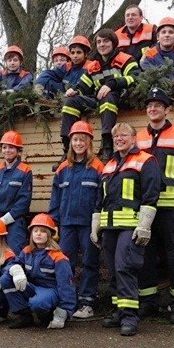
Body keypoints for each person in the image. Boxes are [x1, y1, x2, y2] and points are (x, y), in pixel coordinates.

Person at [135, 88, 174, 324]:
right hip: (146, 208)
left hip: (173, 207)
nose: (153, 109)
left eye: (158, 105)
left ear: (167, 110)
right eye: (150, 105)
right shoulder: (138, 138)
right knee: (145, 256)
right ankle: (148, 302)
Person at [91, 123, 160, 336]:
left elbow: (151, 195)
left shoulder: (145, 160)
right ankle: (119, 310)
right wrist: (96, 225)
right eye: (116, 136)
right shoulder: (110, 164)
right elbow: (100, 199)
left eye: (124, 135)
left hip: (131, 225)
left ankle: (130, 316)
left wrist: (144, 225)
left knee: (125, 267)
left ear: (133, 138)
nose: (119, 139)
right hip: (110, 226)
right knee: (113, 269)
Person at [48, 121, 104, 319]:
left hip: (88, 224)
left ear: (89, 142)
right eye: (75, 140)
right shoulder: (63, 168)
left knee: (90, 262)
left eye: (82, 140)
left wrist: (98, 224)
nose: (79, 144)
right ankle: (67, 302)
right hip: (67, 224)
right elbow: (55, 199)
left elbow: (102, 198)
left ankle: (87, 303)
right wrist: (52, 223)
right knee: (66, 263)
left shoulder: (98, 168)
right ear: (70, 142)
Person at [61, 28, 140, 161]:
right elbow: (83, 87)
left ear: (114, 43)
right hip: (99, 100)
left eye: (106, 41)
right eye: (99, 42)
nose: (102, 45)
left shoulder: (126, 59)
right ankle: (67, 149)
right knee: (70, 102)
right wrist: (74, 91)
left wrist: (112, 84)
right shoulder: (93, 66)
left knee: (107, 98)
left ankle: (107, 147)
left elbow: (136, 77)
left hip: (121, 98)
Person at [1, 213, 77, 329]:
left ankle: (48, 315)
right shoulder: (27, 251)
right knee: (6, 279)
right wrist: (15, 270)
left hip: (50, 291)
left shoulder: (58, 257)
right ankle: (25, 316)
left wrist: (63, 312)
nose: (38, 234)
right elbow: (12, 264)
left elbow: (66, 286)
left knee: (38, 303)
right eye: (35, 231)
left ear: (50, 234)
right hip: (32, 288)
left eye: (43, 231)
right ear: (31, 234)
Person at [0, 130, 33, 253]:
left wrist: (4, 220)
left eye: (11, 147)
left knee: (13, 252)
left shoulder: (25, 170)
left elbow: (24, 201)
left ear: (18, 150)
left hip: (14, 220)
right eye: (4, 147)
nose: (7, 150)